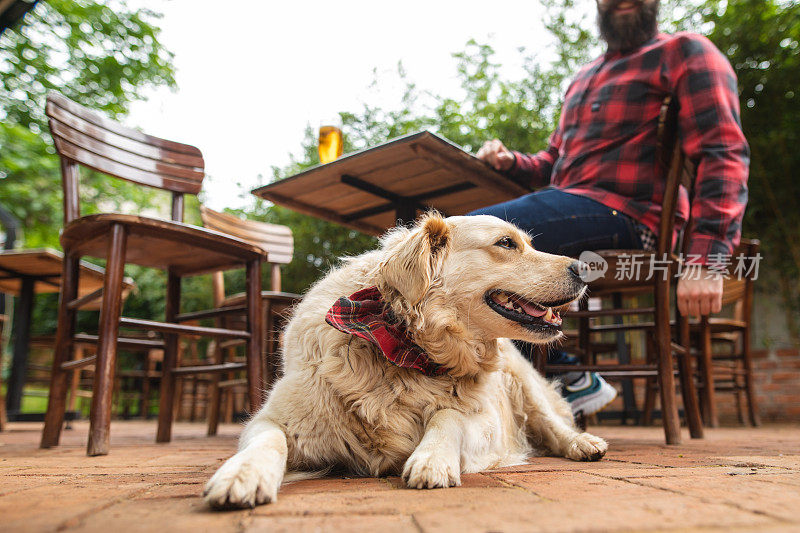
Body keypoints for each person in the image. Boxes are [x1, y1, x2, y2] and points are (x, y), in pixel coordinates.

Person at [472, 0, 749, 416]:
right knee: (469, 247)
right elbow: (554, 164)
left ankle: (557, 381)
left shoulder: (684, 51)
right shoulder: (582, 78)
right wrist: (510, 161)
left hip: (635, 218)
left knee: (477, 240)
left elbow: (722, 152)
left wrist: (706, 261)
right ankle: (561, 383)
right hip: (573, 203)